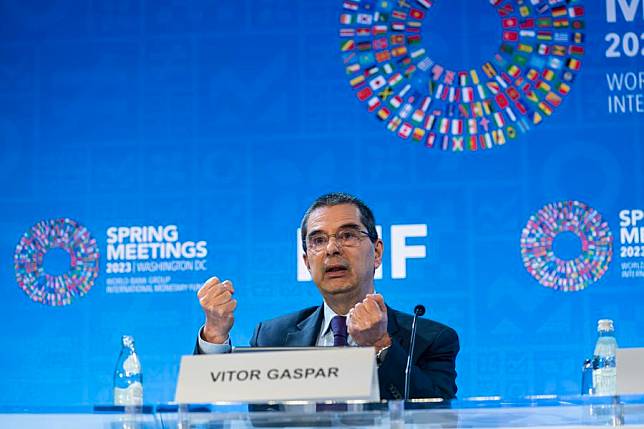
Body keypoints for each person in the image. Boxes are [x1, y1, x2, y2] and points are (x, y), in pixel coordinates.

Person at [195, 192, 459, 400]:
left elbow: (437, 418)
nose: (332, 248)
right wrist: (215, 334)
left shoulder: (429, 339)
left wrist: (381, 345)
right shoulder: (272, 336)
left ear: (377, 253)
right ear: (307, 262)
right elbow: (205, 404)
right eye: (318, 241)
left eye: (348, 235)